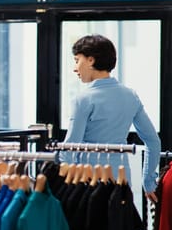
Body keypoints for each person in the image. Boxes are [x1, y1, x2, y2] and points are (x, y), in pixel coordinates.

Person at [61, 34, 160, 202]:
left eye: (77, 60)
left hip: (88, 182)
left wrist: (59, 188)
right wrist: (148, 182)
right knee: (119, 227)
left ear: (91, 60)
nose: (75, 68)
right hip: (122, 181)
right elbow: (153, 141)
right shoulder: (131, 96)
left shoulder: (83, 99)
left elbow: (70, 149)